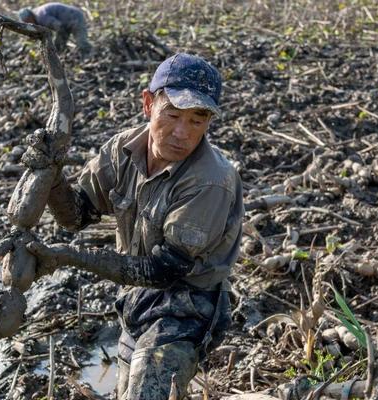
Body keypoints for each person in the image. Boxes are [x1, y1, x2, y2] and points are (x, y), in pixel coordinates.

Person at [25, 53, 244, 400]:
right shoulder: (123, 150)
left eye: (196, 121)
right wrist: (51, 178)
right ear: (147, 104)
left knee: (147, 388)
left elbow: (163, 270)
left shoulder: (210, 181)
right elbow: (76, 215)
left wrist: (67, 257)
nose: (181, 133)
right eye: (172, 115)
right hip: (136, 300)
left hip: (188, 306)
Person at [18, 2, 91, 54]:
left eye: (28, 21)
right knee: (59, 47)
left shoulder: (41, 16)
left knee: (82, 43)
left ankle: (90, 57)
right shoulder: (37, 17)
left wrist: (56, 43)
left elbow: (59, 26)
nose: (29, 23)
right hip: (66, 22)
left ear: (30, 16)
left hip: (74, 18)